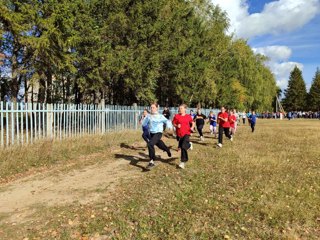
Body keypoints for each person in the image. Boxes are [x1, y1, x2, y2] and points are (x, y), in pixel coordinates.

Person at [142, 103, 173, 170]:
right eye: (151, 107)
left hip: (158, 133)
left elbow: (167, 121)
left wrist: (170, 127)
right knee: (159, 144)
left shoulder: (160, 116)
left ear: (156, 108)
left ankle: (151, 161)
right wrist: (144, 120)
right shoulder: (149, 116)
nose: (152, 109)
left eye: (153, 107)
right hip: (152, 133)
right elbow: (144, 124)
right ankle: (167, 149)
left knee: (150, 144)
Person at [172, 104, 195, 169]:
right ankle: (190, 145)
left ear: (185, 109)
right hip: (179, 134)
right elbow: (173, 123)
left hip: (187, 133)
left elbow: (192, 123)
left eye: (181, 108)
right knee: (183, 146)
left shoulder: (188, 116)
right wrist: (176, 126)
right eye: (179, 108)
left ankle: (183, 162)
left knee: (183, 146)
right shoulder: (176, 116)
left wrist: (192, 127)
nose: (180, 109)